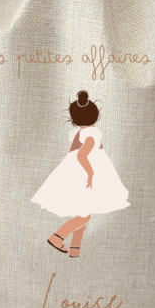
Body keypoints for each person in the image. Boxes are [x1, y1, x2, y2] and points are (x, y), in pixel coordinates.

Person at [31, 90, 130, 258]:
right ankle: (58, 236)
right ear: (95, 115)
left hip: (74, 173)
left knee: (84, 212)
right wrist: (90, 173)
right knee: (84, 216)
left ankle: (75, 249)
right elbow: (82, 155)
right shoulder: (92, 133)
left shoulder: (79, 133)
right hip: (84, 174)